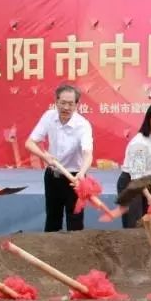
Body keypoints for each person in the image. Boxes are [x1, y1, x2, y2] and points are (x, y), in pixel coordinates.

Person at [25, 84, 94, 232]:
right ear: (56, 102)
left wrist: (82, 174)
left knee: (75, 222)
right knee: (52, 219)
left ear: (77, 105)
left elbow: (88, 153)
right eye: (62, 103)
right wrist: (44, 156)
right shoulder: (49, 116)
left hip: (74, 178)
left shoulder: (83, 125)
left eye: (71, 104)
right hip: (53, 176)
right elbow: (30, 143)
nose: (66, 107)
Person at [116, 103, 151, 228]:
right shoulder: (139, 143)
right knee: (134, 224)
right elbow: (136, 176)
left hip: (146, 182)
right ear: (149, 119)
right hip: (132, 184)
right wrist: (148, 196)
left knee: (147, 224)